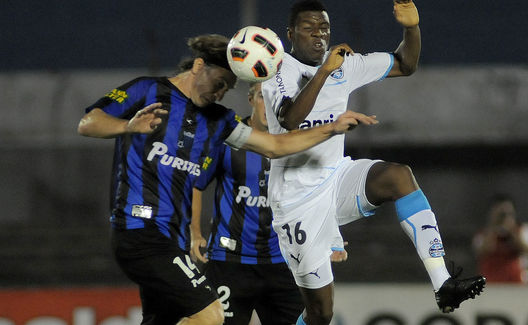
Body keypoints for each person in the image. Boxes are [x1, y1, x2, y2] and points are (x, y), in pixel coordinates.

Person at [77, 34, 377, 325]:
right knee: (210, 316)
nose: (220, 93)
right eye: (219, 83)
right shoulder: (147, 91)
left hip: (174, 239)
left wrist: (330, 128)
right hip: (140, 231)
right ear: (198, 66)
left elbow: (275, 146)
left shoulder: (219, 120)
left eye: (227, 88)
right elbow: (88, 123)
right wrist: (127, 126)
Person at [261, 0, 485, 323]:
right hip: (295, 202)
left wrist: (411, 28)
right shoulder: (277, 68)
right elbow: (291, 119)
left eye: (324, 28)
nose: (319, 36)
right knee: (321, 313)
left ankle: (443, 283)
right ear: (290, 34)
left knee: (398, 177)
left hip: (335, 178)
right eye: (309, 29)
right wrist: (325, 71)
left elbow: (406, 64)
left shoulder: (345, 65)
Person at [190, 82, 348, 325]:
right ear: (251, 99)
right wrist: (194, 232)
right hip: (230, 261)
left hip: (284, 264)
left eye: (276, 98)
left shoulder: (299, 141)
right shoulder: (228, 138)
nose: (269, 104)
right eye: (263, 97)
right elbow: (195, 184)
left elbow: (321, 191)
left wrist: (330, 237)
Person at [473, 194, 528, 284]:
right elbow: (482, 250)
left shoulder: (522, 229)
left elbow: (527, 248)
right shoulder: (483, 233)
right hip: (491, 283)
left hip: (516, 283)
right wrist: (493, 228)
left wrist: (511, 229)